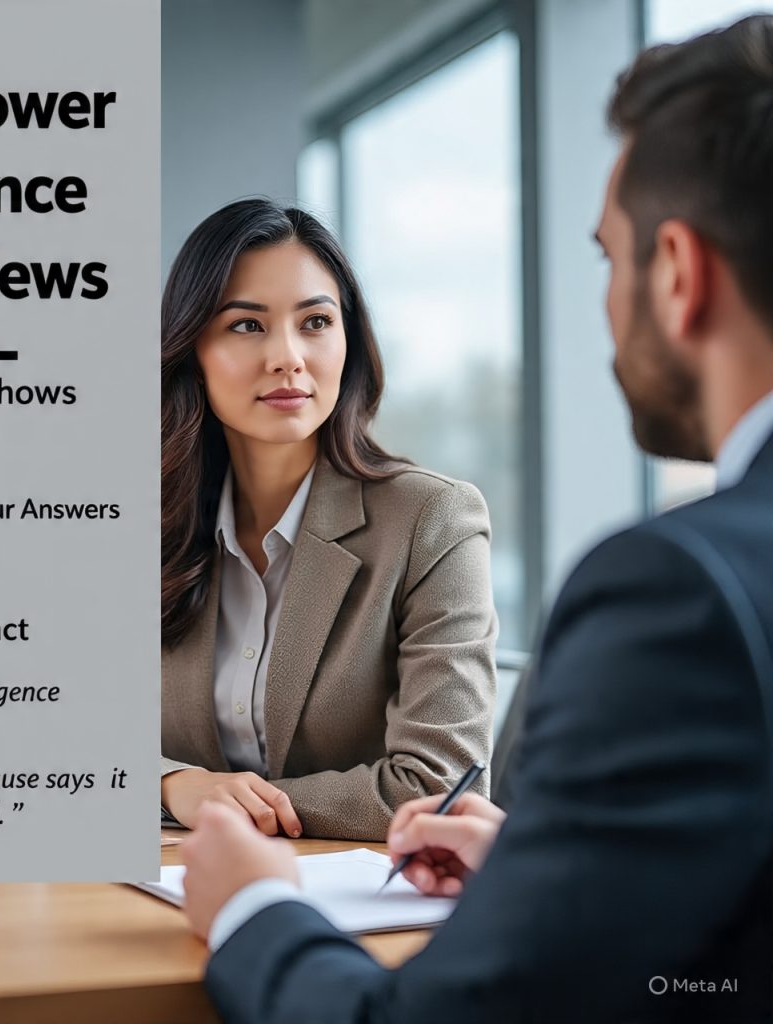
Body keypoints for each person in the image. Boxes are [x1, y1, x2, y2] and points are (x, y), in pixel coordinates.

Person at [180, 16, 773, 1023]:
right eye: (245, 323)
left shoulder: (677, 589)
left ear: (674, 271)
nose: (286, 355)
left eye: (604, 258)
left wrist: (249, 912)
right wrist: (550, 868)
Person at [161, 199, 497, 840]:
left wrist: (228, 810)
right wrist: (174, 784)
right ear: (192, 353)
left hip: (357, 913)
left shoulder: (433, 522)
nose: (287, 357)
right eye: (246, 326)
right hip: (154, 896)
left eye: (315, 321)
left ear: (349, 342)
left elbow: (439, 789)